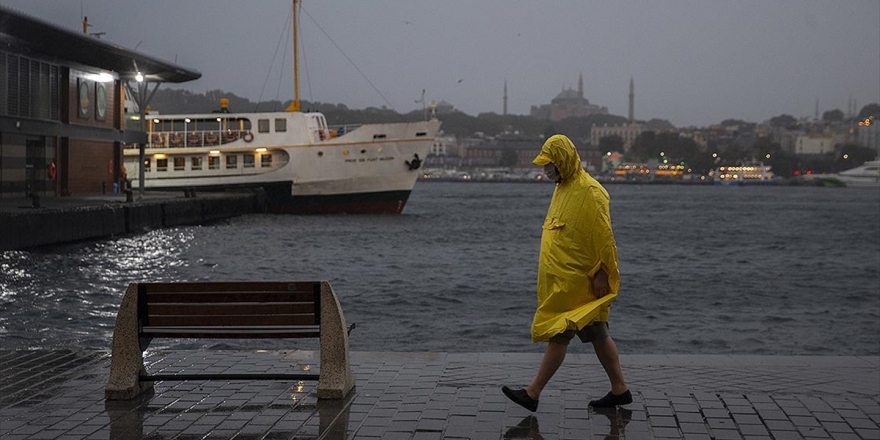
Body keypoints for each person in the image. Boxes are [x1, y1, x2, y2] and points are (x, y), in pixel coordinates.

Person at [502, 134, 632, 412]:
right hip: (564, 282)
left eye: (550, 163)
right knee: (599, 334)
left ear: (562, 160)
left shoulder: (591, 191)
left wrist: (603, 272)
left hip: (579, 283)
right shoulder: (563, 187)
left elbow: (604, 237)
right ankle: (620, 389)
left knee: (560, 334)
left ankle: (533, 392)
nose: (546, 169)